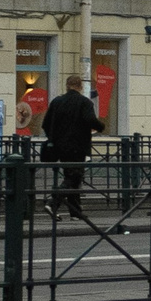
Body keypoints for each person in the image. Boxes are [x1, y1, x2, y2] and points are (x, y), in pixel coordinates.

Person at [40, 74, 99, 219]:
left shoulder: (57, 102)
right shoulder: (84, 103)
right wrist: (100, 126)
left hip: (59, 147)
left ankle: (75, 212)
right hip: (78, 146)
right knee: (73, 176)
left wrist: (54, 139)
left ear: (67, 85)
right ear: (80, 86)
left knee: (73, 177)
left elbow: (46, 124)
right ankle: (53, 203)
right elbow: (90, 121)